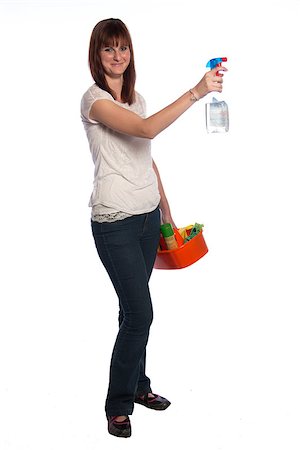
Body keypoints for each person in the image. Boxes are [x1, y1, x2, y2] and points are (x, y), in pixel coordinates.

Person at [80, 18, 226, 438]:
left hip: (146, 220)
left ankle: (138, 386)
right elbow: (147, 130)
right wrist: (197, 92)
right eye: (108, 49)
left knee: (133, 312)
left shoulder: (137, 98)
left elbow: (146, 154)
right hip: (113, 223)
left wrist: (166, 211)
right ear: (98, 56)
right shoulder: (94, 101)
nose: (117, 56)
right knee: (141, 313)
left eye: (123, 47)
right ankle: (118, 404)